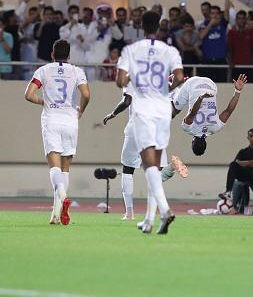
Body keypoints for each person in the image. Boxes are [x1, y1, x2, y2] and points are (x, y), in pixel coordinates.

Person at [116, 11, 184, 235]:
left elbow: (120, 81)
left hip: (144, 111)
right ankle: (148, 220)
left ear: (140, 25)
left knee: (149, 165)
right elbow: (180, 78)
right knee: (154, 166)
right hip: (163, 110)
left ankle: (165, 211)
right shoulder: (170, 50)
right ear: (160, 26)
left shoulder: (131, 51)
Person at [101, 80, 188, 226]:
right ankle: (170, 169)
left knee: (128, 170)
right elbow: (173, 111)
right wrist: (177, 84)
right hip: (156, 130)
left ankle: (129, 213)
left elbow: (127, 100)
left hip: (136, 128)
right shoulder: (163, 82)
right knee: (157, 174)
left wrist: (113, 114)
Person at [24, 39, 90, 225]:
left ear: (52, 55)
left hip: (51, 119)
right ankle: (56, 214)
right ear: (69, 56)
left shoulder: (43, 70)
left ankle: (63, 196)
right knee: (65, 168)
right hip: (71, 120)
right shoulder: (77, 71)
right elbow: (86, 94)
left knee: (54, 166)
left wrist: (43, 102)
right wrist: (81, 111)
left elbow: (28, 95)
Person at [171, 74, 248, 156]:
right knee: (175, 109)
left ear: (206, 144)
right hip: (193, 84)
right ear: (192, 141)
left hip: (211, 85)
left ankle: (181, 88)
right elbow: (193, 113)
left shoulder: (216, 128)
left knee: (186, 102)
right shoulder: (188, 129)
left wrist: (238, 91)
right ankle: (175, 86)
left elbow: (229, 110)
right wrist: (200, 98)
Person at [218, 128, 253, 215]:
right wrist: (251, 162)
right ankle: (228, 191)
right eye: (251, 136)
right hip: (244, 175)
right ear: (248, 138)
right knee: (232, 165)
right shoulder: (243, 151)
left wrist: (244, 163)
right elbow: (236, 163)